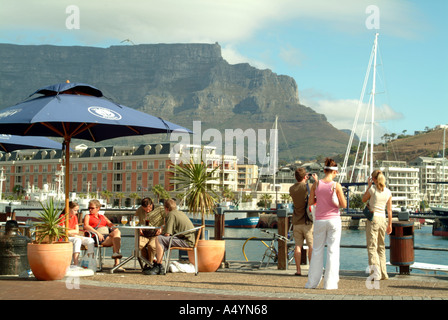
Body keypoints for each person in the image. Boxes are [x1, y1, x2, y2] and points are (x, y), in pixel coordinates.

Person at [305, 158, 347, 290]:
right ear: (335, 172)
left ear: (324, 170)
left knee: (317, 251)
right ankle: (330, 284)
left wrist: (319, 197)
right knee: (333, 251)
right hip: (334, 220)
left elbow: (311, 202)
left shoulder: (316, 185)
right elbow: (344, 205)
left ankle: (312, 283)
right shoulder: (336, 185)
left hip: (319, 220)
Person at [144, 198, 195, 275]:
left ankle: (158, 265)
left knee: (159, 238)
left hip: (186, 241)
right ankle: (158, 265)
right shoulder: (180, 213)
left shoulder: (171, 214)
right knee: (162, 241)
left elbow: (167, 234)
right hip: (189, 239)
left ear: (166, 208)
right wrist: (164, 226)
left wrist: (161, 229)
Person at [362, 169, 392, 281]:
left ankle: (375, 274)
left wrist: (369, 186)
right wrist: (390, 224)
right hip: (383, 219)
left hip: (373, 219)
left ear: (373, 179)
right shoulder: (388, 192)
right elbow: (389, 210)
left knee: (372, 247)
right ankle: (384, 273)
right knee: (381, 247)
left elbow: (363, 199)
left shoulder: (373, 190)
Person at [289, 167, 315, 276]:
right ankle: (311, 270)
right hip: (307, 222)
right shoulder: (308, 186)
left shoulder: (291, 189)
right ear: (305, 176)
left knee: (297, 246)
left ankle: (298, 270)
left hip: (296, 221)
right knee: (311, 246)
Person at [83, 199, 123, 268]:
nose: (90, 210)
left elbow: (111, 224)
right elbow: (86, 226)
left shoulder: (102, 216)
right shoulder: (88, 216)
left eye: (92, 208)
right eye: (89, 208)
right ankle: (117, 264)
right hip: (95, 236)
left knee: (117, 233)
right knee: (116, 240)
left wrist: (115, 228)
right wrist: (97, 233)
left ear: (98, 208)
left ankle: (116, 255)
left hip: (105, 235)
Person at [59, 201, 95, 266]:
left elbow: (77, 231)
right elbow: (64, 231)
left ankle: (90, 261)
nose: (76, 212)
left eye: (77, 210)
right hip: (65, 238)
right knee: (77, 240)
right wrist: (72, 233)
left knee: (90, 240)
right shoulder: (62, 216)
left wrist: (71, 232)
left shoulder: (74, 217)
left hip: (74, 236)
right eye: (75, 210)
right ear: (69, 209)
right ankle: (76, 263)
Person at [135, 197, 165, 266]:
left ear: (151, 204)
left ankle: (149, 264)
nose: (147, 211)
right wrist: (138, 227)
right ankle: (147, 262)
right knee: (138, 245)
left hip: (155, 234)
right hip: (144, 233)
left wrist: (162, 227)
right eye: (145, 210)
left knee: (151, 246)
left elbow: (168, 219)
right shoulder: (139, 210)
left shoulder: (160, 208)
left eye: (149, 209)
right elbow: (135, 220)